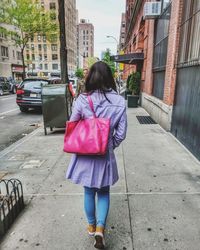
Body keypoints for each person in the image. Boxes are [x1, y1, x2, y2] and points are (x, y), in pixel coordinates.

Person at [66, 61, 127, 249]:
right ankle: (101, 229)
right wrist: (108, 145)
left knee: (88, 191)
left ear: (90, 77)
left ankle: (91, 226)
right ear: (110, 78)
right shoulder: (119, 101)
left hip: (85, 154)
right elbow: (121, 133)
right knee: (103, 192)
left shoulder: (82, 100)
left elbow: (73, 123)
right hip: (105, 156)